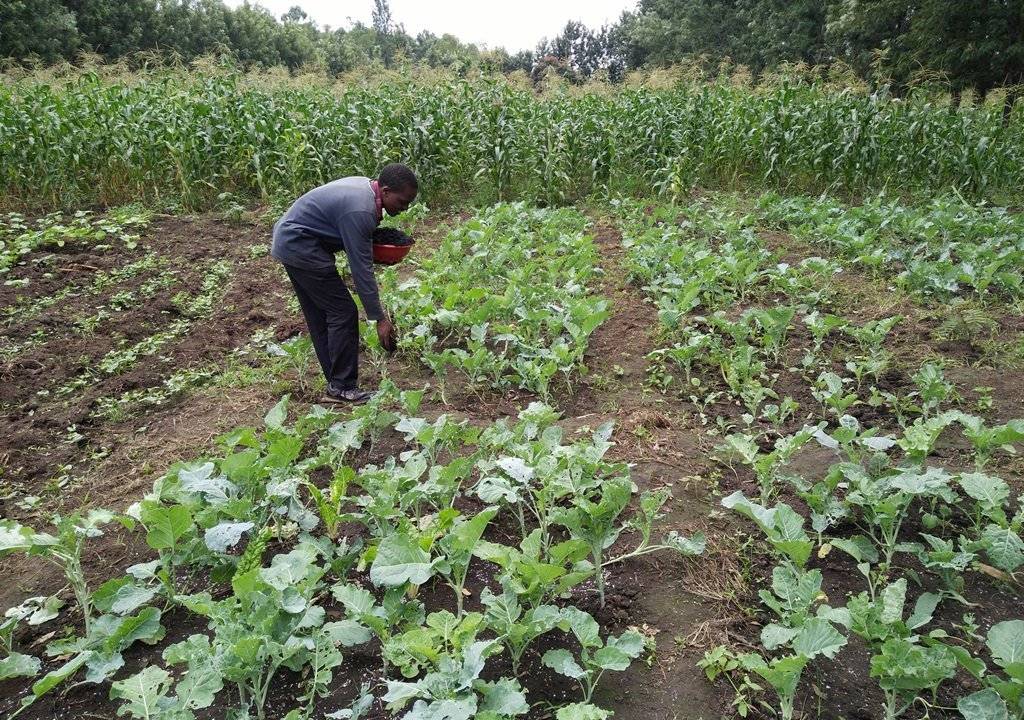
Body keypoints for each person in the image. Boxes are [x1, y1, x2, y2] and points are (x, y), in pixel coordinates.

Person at [271, 163, 418, 403]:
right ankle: (343, 387)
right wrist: (379, 318)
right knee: (343, 311)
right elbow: (361, 271)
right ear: (387, 190)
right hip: (300, 246)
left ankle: (336, 384)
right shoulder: (361, 212)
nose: (404, 208)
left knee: (322, 315)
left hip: (290, 241)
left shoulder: (366, 191)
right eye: (402, 202)